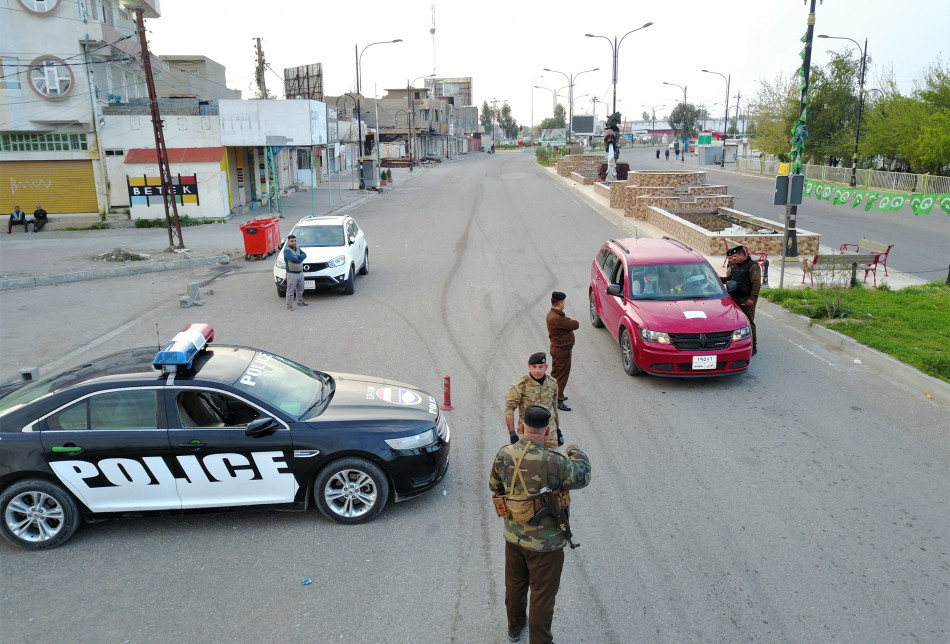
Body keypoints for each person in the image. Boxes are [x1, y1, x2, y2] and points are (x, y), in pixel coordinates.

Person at [489, 405, 591, 644]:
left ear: (523, 427)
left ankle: (514, 629)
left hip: (513, 537)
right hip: (546, 546)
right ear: (546, 432)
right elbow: (582, 477)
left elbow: (495, 486)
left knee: (514, 586)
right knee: (542, 597)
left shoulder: (504, 453)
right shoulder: (554, 461)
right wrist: (576, 451)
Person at [505, 352, 562, 448]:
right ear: (529, 366)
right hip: (528, 432)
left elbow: (555, 407)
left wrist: (558, 430)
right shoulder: (519, 385)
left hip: (549, 432)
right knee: (527, 459)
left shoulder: (553, 383)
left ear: (546, 367)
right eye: (534, 367)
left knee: (552, 460)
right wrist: (512, 433)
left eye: (540, 367)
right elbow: (509, 410)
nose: (537, 370)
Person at [725, 245, 762, 355]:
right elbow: (730, 279)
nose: (733, 259)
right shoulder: (736, 266)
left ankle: (753, 346)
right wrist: (717, 279)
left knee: (749, 321)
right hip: (734, 297)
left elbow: (756, 283)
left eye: (735, 256)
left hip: (746, 299)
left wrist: (752, 298)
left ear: (742, 255)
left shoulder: (753, 266)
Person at [546, 292, 579, 412]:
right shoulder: (557, 318)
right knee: (561, 376)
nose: (564, 304)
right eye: (563, 302)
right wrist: (567, 318)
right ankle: (558, 400)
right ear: (560, 303)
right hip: (562, 352)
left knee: (556, 374)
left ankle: (553, 395)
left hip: (558, 350)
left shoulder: (552, 315)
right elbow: (575, 325)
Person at [282, 234, 309, 311]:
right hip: (291, 273)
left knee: (300, 288)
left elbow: (305, 255)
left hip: (300, 272)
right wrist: (300, 259)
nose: (294, 242)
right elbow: (294, 260)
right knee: (290, 290)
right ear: (288, 242)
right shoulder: (286, 250)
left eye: (295, 241)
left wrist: (299, 257)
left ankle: (300, 302)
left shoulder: (298, 249)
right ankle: (289, 305)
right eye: (292, 241)